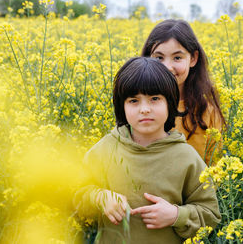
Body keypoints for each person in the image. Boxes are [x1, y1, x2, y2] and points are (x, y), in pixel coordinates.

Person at [74, 57, 221, 244]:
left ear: (170, 103)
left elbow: (210, 214)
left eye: (155, 99)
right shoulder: (105, 149)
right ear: (122, 107)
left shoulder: (187, 157)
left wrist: (177, 215)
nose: (144, 109)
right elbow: (77, 195)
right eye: (134, 101)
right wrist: (100, 198)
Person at [141, 19, 225, 165]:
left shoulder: (207, 110)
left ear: (193, 59)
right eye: (159, 58)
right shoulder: (138, 107)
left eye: (177, 58)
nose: (167, 67)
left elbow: (214, 166)